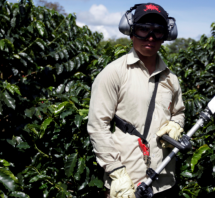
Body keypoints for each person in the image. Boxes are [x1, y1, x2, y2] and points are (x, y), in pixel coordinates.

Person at [87, 3, 185, 198]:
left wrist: (176, 124)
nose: (150, 37)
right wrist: (117, 173)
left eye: (158, 31)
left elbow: (179, 112)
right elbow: (98, 126)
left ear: (166, 35)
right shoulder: (113, 73)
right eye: (143, 29)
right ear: (130, 31)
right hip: (128, 183)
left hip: (165, 180)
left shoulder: (170, 78)